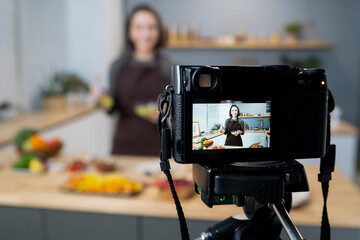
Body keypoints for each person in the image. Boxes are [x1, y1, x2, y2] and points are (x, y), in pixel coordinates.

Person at [107, 4, 174, 156]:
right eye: (139, 27)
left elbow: (179, 106)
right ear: (129, 32)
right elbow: (112, 108)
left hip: (158, 146)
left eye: (151, 27)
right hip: (124, 146)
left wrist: (168, 110)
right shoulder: (117, 66)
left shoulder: (168, 65)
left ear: (158, 31)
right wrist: (101, 100)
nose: (145, 33)